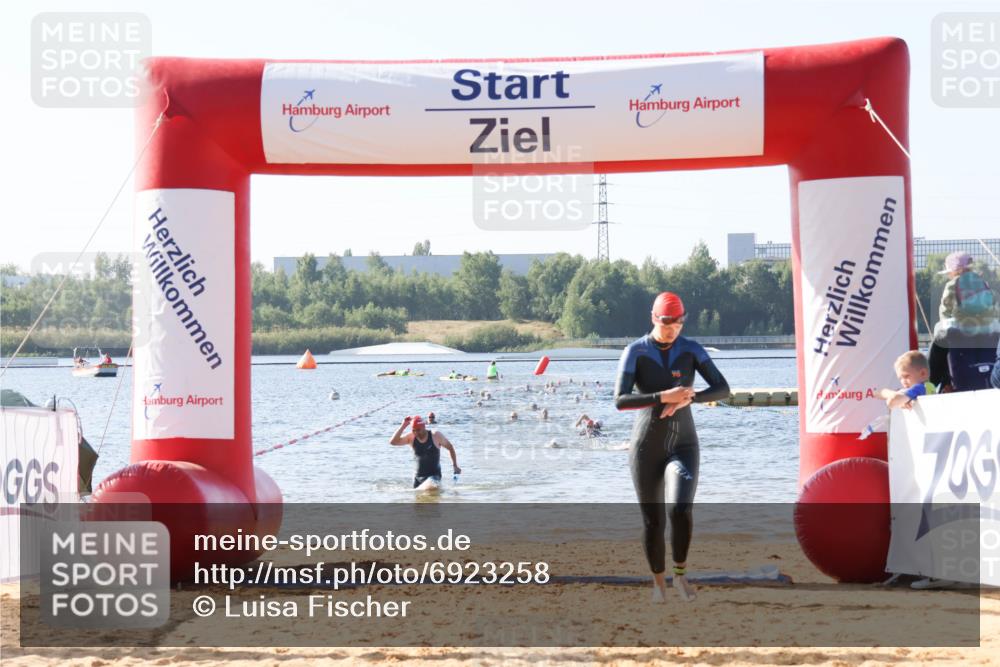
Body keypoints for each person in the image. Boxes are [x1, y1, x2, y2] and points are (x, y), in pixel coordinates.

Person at [615, 291, 730, 603]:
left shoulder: (691, 349)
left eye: (678, 323)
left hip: (683, 444)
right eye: (667, 323)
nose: (673, 329)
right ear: (654, 318)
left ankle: (680, 576)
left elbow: (723, 389)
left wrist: (690, 397)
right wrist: (663, 397)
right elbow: (620, 400)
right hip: (645, 447)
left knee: (680, 510)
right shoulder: (635, 351)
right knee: (653, 520)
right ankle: (658, 583)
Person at [932, 252, 1000, 392]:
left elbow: (945, 309)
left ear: (954, 270)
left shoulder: (952, 284)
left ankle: (937, 383)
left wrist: (945, 326)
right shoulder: (982, 282)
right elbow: (992, 305)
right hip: (987, 328)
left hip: (961, 326)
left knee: (941, 344)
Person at [389, 415, 460, 488]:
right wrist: (403, 425)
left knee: (430, 487)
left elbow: (450, 447)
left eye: (418, 430)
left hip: (434, 476)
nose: (416, 433)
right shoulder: (411, 437)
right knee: (419, 497)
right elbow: (393, 442)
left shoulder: (435, 435)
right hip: (418, 477)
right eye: (414, 430)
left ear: (424, 427)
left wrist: (455, 465)